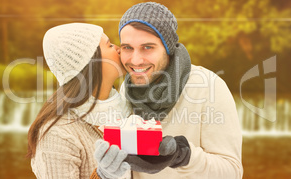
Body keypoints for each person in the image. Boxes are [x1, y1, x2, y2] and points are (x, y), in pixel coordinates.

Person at [118, 2, 243, 178]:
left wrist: (184, 157)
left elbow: (232, 172)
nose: (136, 60)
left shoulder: (209, 87)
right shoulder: (127, 88)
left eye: (148, 47)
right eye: (127, 48)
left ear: (168, 48)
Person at [26, 23, 132, 179]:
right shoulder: (58, 134)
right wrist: (102, 176)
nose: (118, 48)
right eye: (109, 45)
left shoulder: (127, 107)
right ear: (90, 63)